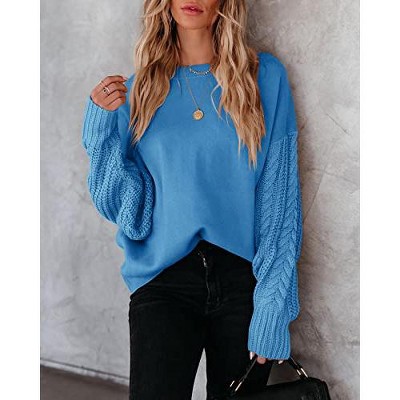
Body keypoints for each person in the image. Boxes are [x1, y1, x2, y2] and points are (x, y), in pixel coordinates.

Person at [81, 0, 303, 399]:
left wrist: (273, 305)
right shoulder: (138, 92)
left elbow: (280, 201)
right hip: (164, 280)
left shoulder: (263, 77)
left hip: (243, 283)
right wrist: (100, 133)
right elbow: (130, 214)